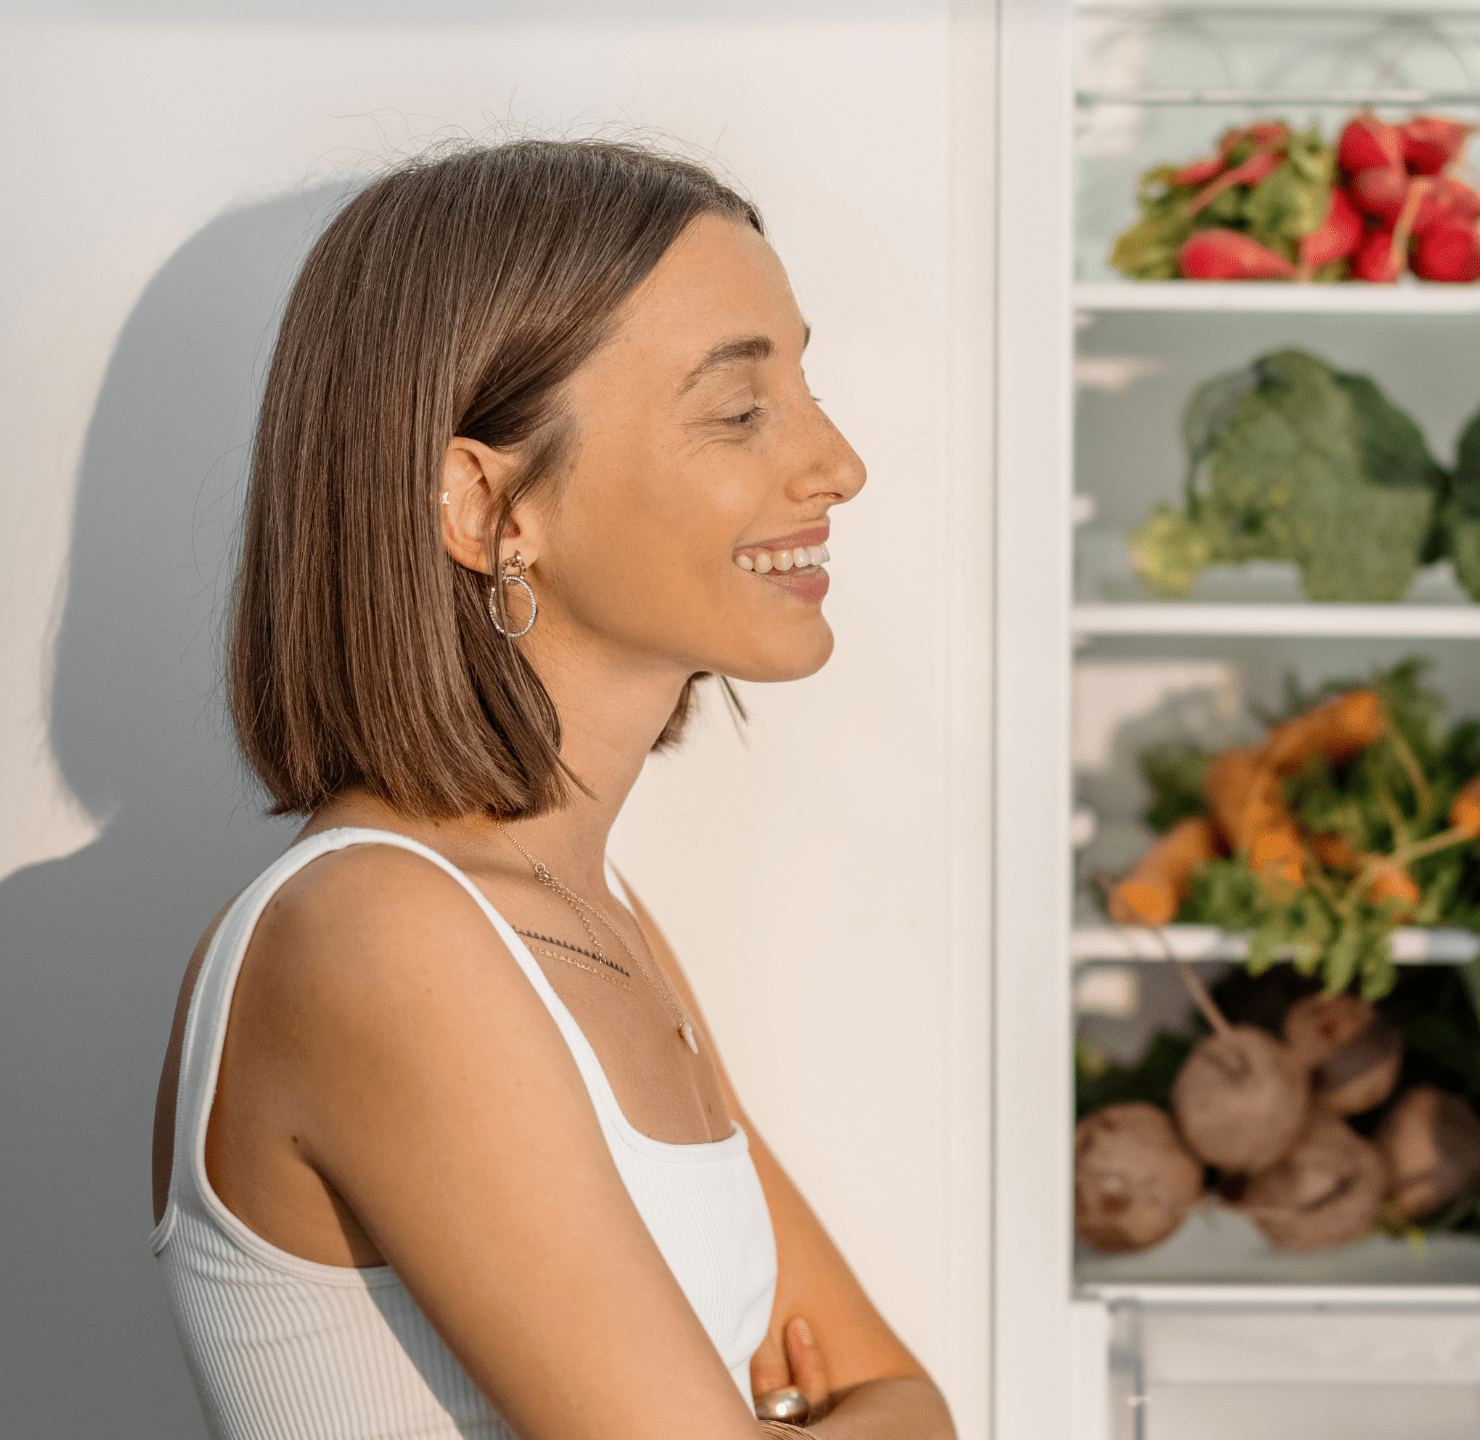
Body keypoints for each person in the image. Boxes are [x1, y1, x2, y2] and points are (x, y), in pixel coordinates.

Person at [148, 139, 953, 1439]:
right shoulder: (381, 938)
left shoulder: (592, 910)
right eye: (740, 411)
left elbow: (909, 1401)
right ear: (482, 503)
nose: (836, 461)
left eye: (804, 382)